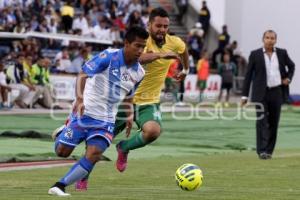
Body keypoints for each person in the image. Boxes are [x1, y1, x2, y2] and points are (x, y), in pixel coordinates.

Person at [48, 26, 149, 196]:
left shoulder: (139, 72)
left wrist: (129, 113)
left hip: (106, 120)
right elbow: (82, 74)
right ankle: (63, 132)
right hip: (84, 113)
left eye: (143, 47)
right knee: (62, 152)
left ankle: (60, 185)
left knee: (94, 153)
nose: (140, 51)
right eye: (137, 46)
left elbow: (129, 95)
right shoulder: (109, 56)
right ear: (126, 43)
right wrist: (79, 100)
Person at [114, 7, 190, 172]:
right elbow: (135, 58)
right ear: (149, 24)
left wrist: (186, 70)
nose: (162, 30)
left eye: (165, 26)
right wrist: (160, 55)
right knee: (100, 138)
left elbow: (184, 51)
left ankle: (124, 147)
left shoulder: (174, 42)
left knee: (153, 131)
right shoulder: (142, 41)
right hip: (125, 99)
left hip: (149, 101)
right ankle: (82, 174)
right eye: (158, 26)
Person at [241, 30, 295, 160]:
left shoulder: (282, 53)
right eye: (267, 38)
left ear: (275, 40)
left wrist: (288, 78)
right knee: (261, 122)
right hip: (261, 93)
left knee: (273, 122)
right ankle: (261, 151)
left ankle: (269, 151)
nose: (269, 40)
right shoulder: (255, 54)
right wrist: (244, 96)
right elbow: (248, 76)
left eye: (272, 38)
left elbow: (292, 66)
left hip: (277, 92)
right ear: (263, 39)